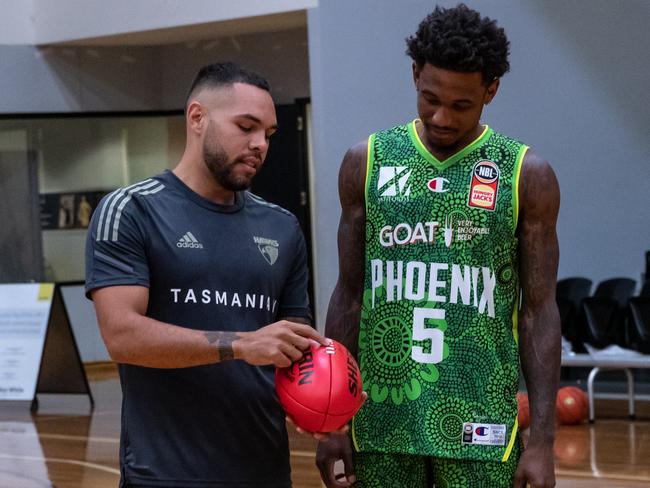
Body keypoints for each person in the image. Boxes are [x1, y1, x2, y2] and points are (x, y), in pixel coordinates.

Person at [316, 4, 560, 488]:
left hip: (481, 428)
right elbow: (349, 295)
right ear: (414, 75)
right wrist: (332, 421)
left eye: (462, 105)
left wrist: (544, 442)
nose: (441, 116)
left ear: (491, 89)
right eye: (430, 98)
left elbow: (539, 311)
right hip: (381, 423)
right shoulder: (366, 163)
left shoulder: (525, 175)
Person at [85, 62, 329, 488]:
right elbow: (121, 336)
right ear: (197, 117)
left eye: (268, 134)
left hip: (265, 472)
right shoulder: (131, 211)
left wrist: (322, 400)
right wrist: (240, 344)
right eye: (246, 126)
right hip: (165, 474)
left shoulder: (282, 227)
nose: (259, 145)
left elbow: (294, 340)